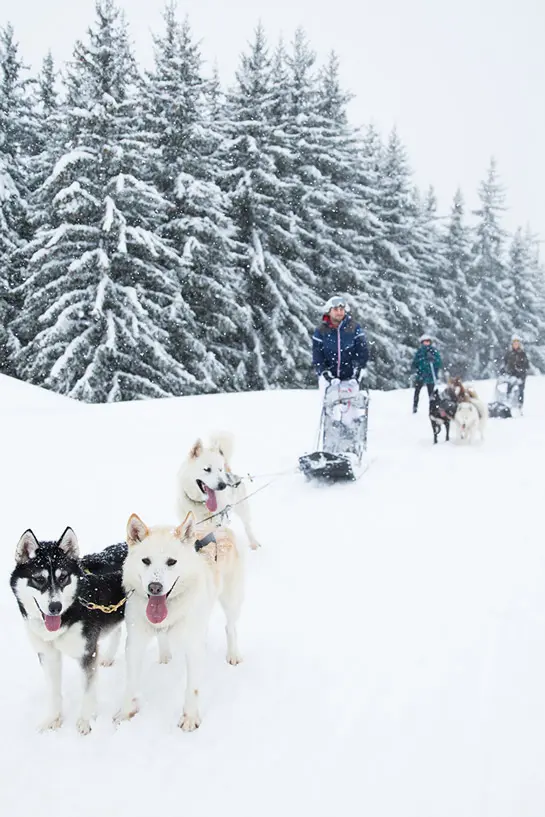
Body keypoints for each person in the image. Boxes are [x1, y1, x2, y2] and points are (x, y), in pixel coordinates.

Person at [312, 295, 369, 386]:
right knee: (330, 399)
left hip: (352, 379)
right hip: (329, 380)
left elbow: (362, 351)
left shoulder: (354, 327)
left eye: (341, 309)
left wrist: (357, 371)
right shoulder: (321, 330)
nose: (339, 312)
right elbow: (317, 355)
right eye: (335, 309)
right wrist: (325, 373)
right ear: (329, 311)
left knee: (354, 399)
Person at [411, 333, 443, 413]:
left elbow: (439, 363)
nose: (426, 344)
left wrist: (433, 360)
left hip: (430, 376)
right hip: (421, 375)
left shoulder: (433, 351)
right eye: (424, 342)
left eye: (428, 342)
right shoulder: (419, 352)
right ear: (422, 343)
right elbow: (415, 363)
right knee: (417, 391)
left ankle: (433, 408)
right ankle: (415, 407)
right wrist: (422, 362)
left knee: (431, 394)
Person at [503, 335, 529, 407]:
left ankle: (520, 405)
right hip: (511, 375)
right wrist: (506, 374)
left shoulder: (522, 354)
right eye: (514, 343)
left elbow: (526, 366)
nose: (516, 345)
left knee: (520, 390)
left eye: (517, 343)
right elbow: (505, 364)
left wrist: (521, 377)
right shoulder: (509, 354)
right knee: (509, 388)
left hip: (521, 376)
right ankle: (507, 403)